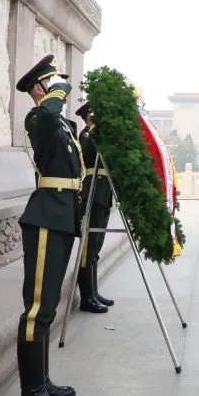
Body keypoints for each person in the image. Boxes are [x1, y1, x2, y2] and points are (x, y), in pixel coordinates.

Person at [13, 54, 83, 396]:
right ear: (40, 88)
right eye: (54, 83)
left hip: (62, 217)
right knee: (37, 308)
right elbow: (50, 114)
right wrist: (54, 94)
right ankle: (31, 393)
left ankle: (43, 381)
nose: (62, 90)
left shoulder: (60, 125)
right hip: (45, 218)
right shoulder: (38, 118)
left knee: (49, 306)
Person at [75, 101, 115, 312]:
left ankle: (94, 292)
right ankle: (86, 298)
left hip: (103, 193)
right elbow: (97, 150)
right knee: (88, 248)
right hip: (92, 192)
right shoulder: (86, 136)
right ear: (89, 116)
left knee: (96, 246)